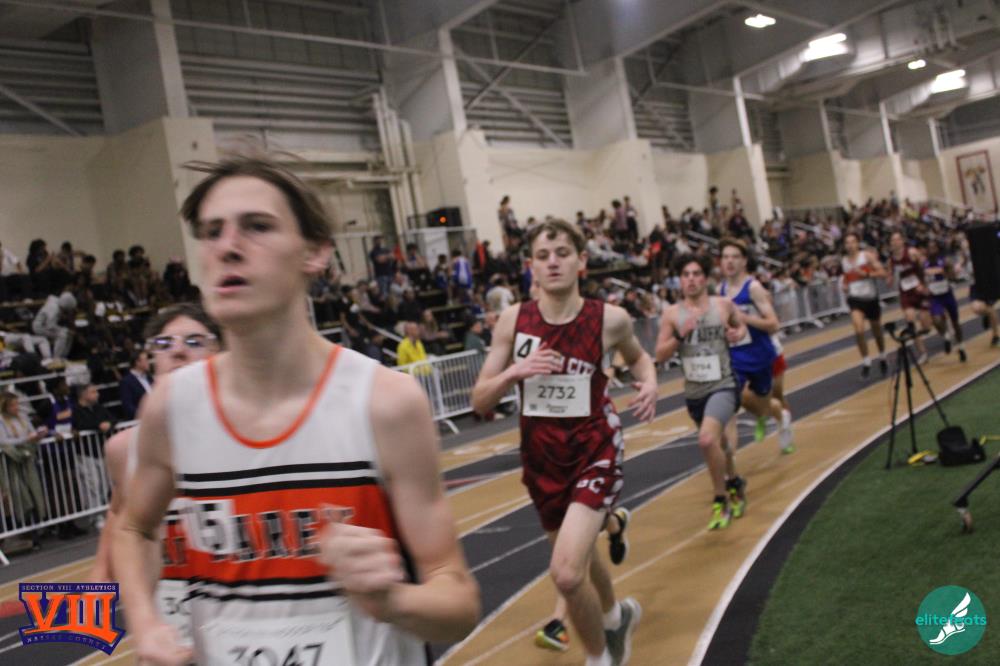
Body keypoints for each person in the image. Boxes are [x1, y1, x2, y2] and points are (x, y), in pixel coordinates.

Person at [113, 156, 479, 665]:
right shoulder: (172, 407)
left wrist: (392, 600)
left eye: (257, 226)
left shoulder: (384, 402)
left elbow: (458, 603)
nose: (227, 247)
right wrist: (146, 623)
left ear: (315, 252)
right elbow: (133, 529)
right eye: (212, 232)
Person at [472, 218, 656, 666]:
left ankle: (599, 657)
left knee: (567, 574)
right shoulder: (514, 321)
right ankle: (615, 618)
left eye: (562, 254)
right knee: (581, 559)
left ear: (581, 261)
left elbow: (639, 359)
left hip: (594, 449)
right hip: (542, 459)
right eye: (543, 256)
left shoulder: (609, 319)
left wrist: (649, 383)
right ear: (531, 267)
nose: (552, 262)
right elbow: (479, 400)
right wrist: (515, 371)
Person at [90, 303, 221, 648]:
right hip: (169, 621)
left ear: (221, 354)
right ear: (151, 361)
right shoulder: (124, 449)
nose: (177, 351)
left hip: (237, 609)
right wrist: (100, 576)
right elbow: (121, 512)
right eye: (164, 344)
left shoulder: (253, 433)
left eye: (194, 341)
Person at [655, 253, 748, 530]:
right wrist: (681, 334)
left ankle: (720, 498)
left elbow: (740, 325)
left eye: (696, 274)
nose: (691, 279)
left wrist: (738, 333)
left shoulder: (722, 305)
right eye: (686, 275)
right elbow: (660, 355)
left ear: (705, 278)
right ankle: (734, 481)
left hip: (723, 384)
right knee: (721, 444)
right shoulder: (672, 314)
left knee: (707, 440)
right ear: (680, 281)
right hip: (694, 392)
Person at [718, 239, 794, 455]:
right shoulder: (720, 290)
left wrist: (745, 318)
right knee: (733, 398)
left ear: (744, 261)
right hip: (735, 356)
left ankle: (778, 416)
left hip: (760, 355)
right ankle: (729, 465)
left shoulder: (753, 288)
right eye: (725, 257)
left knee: (769, 400)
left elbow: (774, 324)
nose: (729, 261)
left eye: (735, 257)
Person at [0, 391, 47, 549]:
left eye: (17, 404)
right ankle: (26, 532)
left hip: (28, 459)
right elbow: (3, 441)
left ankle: (35, 530)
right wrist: (26, 439)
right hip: (11, 464)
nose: (17, 408)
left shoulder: (23, 417)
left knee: (34, 492)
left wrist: (38, 435)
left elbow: (31, 432)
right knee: (20, 496)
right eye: (13, 405)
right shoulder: (1, 421)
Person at [840, 232, 889, 378]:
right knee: (858, 329)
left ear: (857, 243)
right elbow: (847, 279)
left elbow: (883, 273)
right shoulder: (844, 261)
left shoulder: (866, 256)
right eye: (847, 242)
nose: (850, 245)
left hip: (871, 298)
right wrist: (845, 285)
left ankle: (882, 356)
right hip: (855, 299)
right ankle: (866, 361)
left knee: (877, 331)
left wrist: (866, 274)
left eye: (852, 242)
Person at [887, 230, 931, 363]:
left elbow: (924, 267)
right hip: (906, 293)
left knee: (926, 326)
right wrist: (889, 279)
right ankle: (922, 352)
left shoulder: (912, 253)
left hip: (919, 290)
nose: (895, 242)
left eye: (897, 239)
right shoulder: (891, 260)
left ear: (902, 241)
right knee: (910, 321)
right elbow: (889, 277)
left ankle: (937, 326)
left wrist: (923, 284)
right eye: (892, 240)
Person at [923, 239, 966, 362]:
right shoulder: (924, 264)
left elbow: (953, 277)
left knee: (955, 322)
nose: (931, 250)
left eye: (934, 248)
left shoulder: (944, 261)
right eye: (929, 248)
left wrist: (948, 271)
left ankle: (961, 347)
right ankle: (946, 336)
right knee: (936, 320)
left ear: (937, 249)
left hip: (947, 294)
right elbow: (922, 278)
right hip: (935, 297)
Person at [31, 290, 76, 359]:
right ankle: (56, 358)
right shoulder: (54, 309)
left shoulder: (58, 302)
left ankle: (64, 357)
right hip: (39, 327)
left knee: (69, 334)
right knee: (62, 335)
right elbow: (50, 326)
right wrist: (65, 330)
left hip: (46, 325)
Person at [118, 350, 153, 419]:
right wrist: (143, 415)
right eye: (145, 360)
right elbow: (128, 405)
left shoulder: (149, 377)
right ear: (137, 362)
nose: (148, 362)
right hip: (142, 420)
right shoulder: (126, 381)